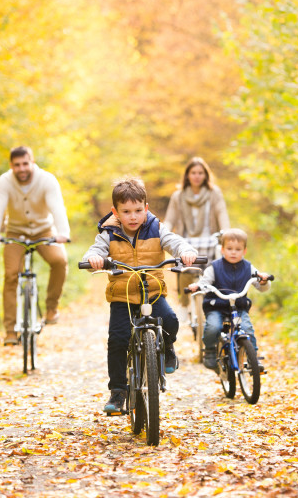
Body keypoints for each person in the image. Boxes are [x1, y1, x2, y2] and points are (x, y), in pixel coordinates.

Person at [82, 177, 197, 413]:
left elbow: (172, 241)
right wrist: (93, 259)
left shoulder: (156, 228)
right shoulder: (109, 233)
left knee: (171, 320)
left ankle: (166, 348)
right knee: (117, 340)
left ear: (146, 208)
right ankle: (118, 392)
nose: (132, 216)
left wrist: (184, 250)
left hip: (152, 292)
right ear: (116, 212)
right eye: (126, 212)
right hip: (122, 296)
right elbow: (96, 250)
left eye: (137, 210)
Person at [0, 146, 70, 346]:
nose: (21, 168)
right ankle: (10, 331)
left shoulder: (47, 180)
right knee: (11, 274)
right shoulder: (4, 182)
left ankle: (51, 308)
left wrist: (63, 233)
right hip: (15, 233)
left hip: (44, 230)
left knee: (59, 261)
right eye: (17, 165)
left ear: (32, 162)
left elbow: (57, 207)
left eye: (25, 163)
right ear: (11, 166)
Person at [188, 228, 271, 372]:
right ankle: (210, 350)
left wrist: (263, 280)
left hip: (238, 308)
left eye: (238, 249)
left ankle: (253, 358)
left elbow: (260, 284)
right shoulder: (214, 267)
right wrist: (198, 286)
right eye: (229, 248)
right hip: (216, 306)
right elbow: (205, 282)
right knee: (213, 327)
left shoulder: (248, 267)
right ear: (222, 249)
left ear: (244, 251)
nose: (233, 252)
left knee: (247, 329)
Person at [164, 157, 230, 325]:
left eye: (200, 173)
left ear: (206, 175)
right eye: (193, 173)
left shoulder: (214, 193)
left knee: (215, 273)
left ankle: (215, 305)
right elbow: (170, 219)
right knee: (185, 270)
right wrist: (163, 232)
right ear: (187, 175)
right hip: (187, 241)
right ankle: (184, 305)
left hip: (209, 240)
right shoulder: (178, 196)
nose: (197, 176)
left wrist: (227, 233)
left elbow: (222, 213)